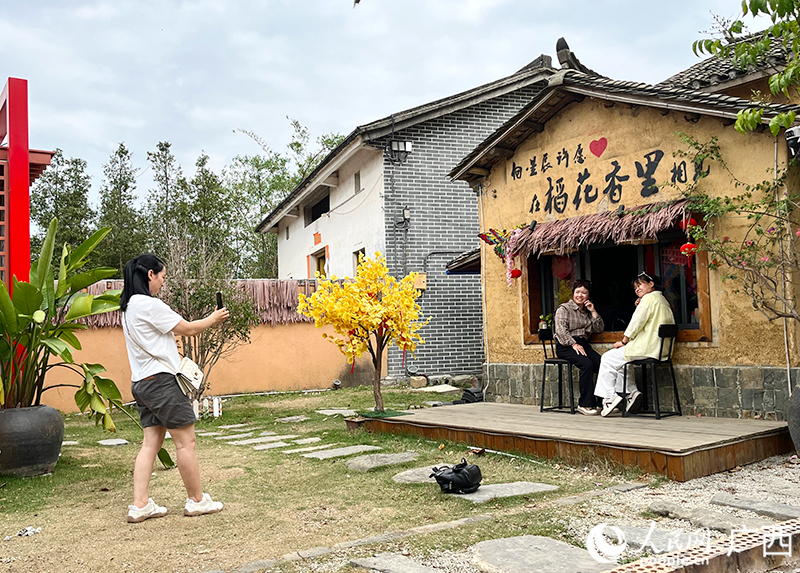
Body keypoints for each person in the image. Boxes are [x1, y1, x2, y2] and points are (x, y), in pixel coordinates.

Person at [121, 254, 230, 523]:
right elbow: (189, 329)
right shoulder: (149, 305)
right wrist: (214, 318)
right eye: (162, 277)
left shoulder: (128, 307)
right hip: (162, 382)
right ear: (150, 275)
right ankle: (196, 500)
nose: (162, 283)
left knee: (151, 443)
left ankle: (140, 505)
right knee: (186, 442)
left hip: (141, 383)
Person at [595, 272, 675, 417]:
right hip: (661, 349)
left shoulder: (649, 299)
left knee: (607, 358)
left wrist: (624, 340)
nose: (637, 289)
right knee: (622, 361)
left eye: (640, 285)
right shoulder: (662, 299)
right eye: (635, 287)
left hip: (647, 348)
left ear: (651, 284)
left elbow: (636, 323)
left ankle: (609, 398)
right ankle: (631, 392)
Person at [553, 279, 605, 416]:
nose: (580, 295)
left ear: (588, 295)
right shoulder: (564, 309)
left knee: (602, 364)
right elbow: (560, 330)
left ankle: (602, 402)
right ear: (573, 293)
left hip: (583, 344)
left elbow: (599, 328)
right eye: (577, 292)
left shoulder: (587, 311)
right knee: (587, 364)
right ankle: (585, 404)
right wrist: (573, 344)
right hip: (566, 345)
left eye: (584, 293)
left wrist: (593, 311)